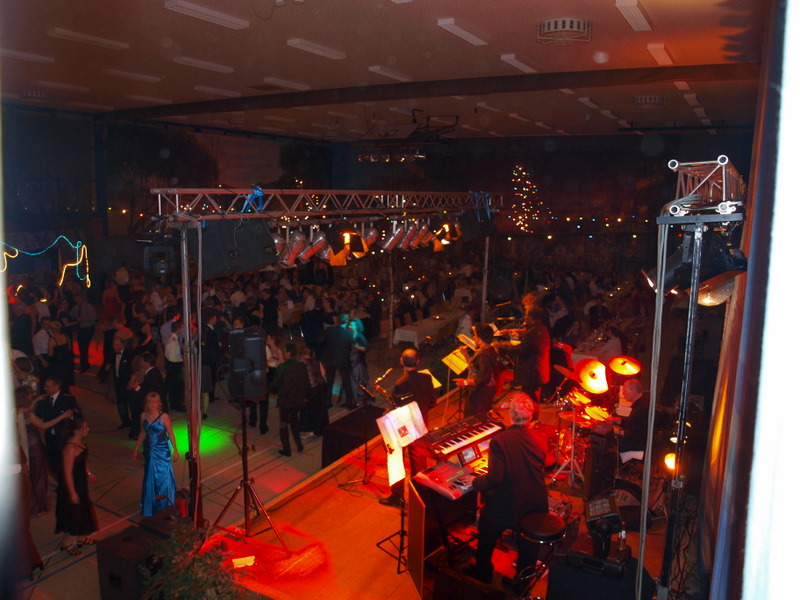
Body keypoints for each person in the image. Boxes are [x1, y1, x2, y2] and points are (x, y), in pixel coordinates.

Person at [463, 392, 549, 587]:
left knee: (486, 528)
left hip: (510, 503)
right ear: (531, 416)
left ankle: (483, 571)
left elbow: (495, 478)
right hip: (536, 502)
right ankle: (521, 583)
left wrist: (475, 481)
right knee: (528, 542)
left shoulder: (500, 441)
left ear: (510, 415)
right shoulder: (541, 437)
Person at [379, 348, 436, 508]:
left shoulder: (400, 383)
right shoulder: (426, 378)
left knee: (395, 458)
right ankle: (420, 495)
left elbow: (397, 409)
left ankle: (397, 496)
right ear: (418, 362)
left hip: (403, 427)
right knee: (418, 460)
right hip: (421, 423)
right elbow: (433, 402)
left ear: (401, 361)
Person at [15, 386, 74, 515]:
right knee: (38, 475)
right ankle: (38, 506)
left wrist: (35, 401)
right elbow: (43, 425)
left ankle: (28, 503)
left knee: (29, 476)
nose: (32, 397)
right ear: (25, 398)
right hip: (33, 447)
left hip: (23, 448)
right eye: (30, 396)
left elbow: (26, 410)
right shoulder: (28, 414)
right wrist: (63, 416)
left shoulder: (15, 412)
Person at [496, 307, 551, 420]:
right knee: (533, 398)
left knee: (531, 399)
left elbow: (520, 350)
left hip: (531, 373)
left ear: (531, 317)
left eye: (526, 315)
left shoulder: (533, 332)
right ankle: (533, 420)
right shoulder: (542, 329)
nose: (525, 318)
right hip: (538, 371)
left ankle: (532, 421)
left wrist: (501, 346)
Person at [55, 418, 98, 556]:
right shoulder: (70, 449)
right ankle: (67, 543)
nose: (88, 429)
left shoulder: (81, 444)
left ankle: (80, 538)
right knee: (75, 514)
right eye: (85, 427)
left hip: (81, 483)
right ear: (77, 431)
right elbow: (67, 473)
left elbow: (82, 463)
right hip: (72, 485)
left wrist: (89, 473)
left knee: (83, 511)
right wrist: (72, 493)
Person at [132, 392, 179, 517]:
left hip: (162, 451)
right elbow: (143, 433)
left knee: (165, 477)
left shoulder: (164, 417)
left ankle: (166, 505)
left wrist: (175, 450)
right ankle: (151, 506)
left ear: (159, 403)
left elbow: (171, 434)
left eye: (156, 402)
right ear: (146, 403)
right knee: (150, 477)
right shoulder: (143, 415)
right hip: (149, 451)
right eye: (150, 402)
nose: (153, 404)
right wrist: (136, 448)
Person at [34, 376, 82, 479]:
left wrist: (71, 415)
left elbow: (78, 416)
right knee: (52, 462)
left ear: (56, 387)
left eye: (48, 387)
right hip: (49, 437)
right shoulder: (43, 400)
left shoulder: (67, 400)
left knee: (65, 462)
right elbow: (37, 415)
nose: (45, 389)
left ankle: (64, 482)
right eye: (45, 386)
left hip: (63, 437)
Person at [270, 342, 310, 457]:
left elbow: (275, 385)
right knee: (294, 422)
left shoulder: (282, 367)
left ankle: (287, 449)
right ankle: (299, 444)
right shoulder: (302, 366)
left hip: (285, 401)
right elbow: (306, 383)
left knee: (283, 425)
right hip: (297, 400)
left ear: (287, 353)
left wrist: (271, 389)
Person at [455, 324, 498, 417]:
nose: (473, 338)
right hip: (481, 391)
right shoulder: (487, 350)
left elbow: (483, 379)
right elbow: (474, 367)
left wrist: (465, 382)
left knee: (473, 417)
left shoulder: (484, 356)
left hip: (480, 392)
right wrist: (466, 355)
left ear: (479, 339)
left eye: (475, 335)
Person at [320, 313, 355, 408]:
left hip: (330, 358)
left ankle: (328, 401)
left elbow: (321, 340)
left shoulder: (330, 330)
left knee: (330, 381)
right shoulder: (348, 333)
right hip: (343, 359)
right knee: (346, 380)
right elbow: (353, 344)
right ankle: (349, 402)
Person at [129, 351, 165, 440]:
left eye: (142, 361)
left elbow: (149, 392)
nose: (140, 363)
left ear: (146, 362)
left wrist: (137, 387)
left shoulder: (152, 374)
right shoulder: (152, 372)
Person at [614, 379, 649, 462]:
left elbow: (635, 434)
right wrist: (617, 420)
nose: (623, 394)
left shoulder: (642, 409)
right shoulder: (640, 404)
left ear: (633, 391)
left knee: (608, 446)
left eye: (625, 391)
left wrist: (617, 431)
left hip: (635, 447)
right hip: (634, 443)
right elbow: (633, 421)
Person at [111, 336, 135, 430]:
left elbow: (133, 370)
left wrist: (131, 382)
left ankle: (135, 423)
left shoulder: (129, 354)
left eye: (117, 344)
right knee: (121, 404)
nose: (115, 346)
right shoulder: (113, 354)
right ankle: (125, 421)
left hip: (128, 384)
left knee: (132, 404)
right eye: (114, 344)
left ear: (123, 345)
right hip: (118, 383)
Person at [70, 292, 97, 373]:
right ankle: (84, 364)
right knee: (81, 347)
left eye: (78, 299)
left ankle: (84, 365)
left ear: (82, 298)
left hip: (88, 328)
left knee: (84, 346)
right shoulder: (76, 307)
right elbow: (71, 315)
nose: (77, 301)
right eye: (76, 299)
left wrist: (82, 319)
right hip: (81, 328)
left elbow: (93, 317)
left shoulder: (89, 307)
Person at [349, 318, 372, 408]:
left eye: (352, 325)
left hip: (359, 363)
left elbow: (366, 348)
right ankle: (356, 399)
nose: (350, 326)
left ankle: (361, 399)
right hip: (352, 362)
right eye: (350, 325)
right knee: (354, 381)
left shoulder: (359, 336)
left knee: (360, 381)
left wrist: (356, 347)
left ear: (357, 326)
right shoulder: (351, 335)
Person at [47, 320, 74, 392]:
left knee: (58, 385)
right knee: (65, 384)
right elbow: (69, 349)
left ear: (51, 329)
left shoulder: (51, 340)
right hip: (66, 364)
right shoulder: (66, 336)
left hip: (57, 365)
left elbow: (50, 354)